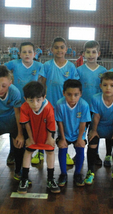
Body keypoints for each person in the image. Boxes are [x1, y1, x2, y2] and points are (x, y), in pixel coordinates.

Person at [39, 37, 80, 167]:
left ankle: (66, 151)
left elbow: (75, 85)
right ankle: (40, 150)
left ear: (66, 49)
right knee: (46, 128)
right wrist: (41, 99)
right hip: (50, 104)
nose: (59, 50)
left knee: (65, 129)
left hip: (65, 105)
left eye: (62, 47)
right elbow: (42, 83)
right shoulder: (47, 65)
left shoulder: (71, 66)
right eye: (56, 47)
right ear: (52, 50)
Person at [17, 81, 60, 194]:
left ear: (44, 97)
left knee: (50, 152)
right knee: (28, 151)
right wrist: (30, 138)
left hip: (46, 133)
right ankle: (24, 178)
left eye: (38, 100)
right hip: (33, 131)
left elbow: (51, 124)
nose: (35, 104)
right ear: (25, 98)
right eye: (31, 100)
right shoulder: (25, 107)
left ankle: (50, 179)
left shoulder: (48, 107)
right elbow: (26, 123)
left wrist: (50, 138)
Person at [5, 42, 44, 165]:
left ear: (34, 54)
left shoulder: (39, 65)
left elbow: (43, 80)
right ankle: (12, 152)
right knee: (15, 128)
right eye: (24, 52)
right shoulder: (14, 64)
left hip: (32, 104)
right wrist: (8, 85)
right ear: (19, 53)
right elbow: (0, 70)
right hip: (17, 103)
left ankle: (38, 151)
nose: (27, 54)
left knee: (34, 127)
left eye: (30, 52)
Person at [85, 72, 113, 185]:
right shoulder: (96, 98)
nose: (108, 88)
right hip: (99, 127)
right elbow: (96, 116)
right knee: (92, 143)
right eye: (105, 85)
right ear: (100, 86)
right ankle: (90, 172)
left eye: (112, 85)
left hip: (112, 127)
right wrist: (94, 130)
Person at [55, 79, 91, 187]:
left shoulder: (84, 105)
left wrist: (80, 138)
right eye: (69, 95)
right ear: (63, 93)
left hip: (78, 133)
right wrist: (62, 138)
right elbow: (60, 123)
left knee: (80, 147)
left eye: (76, 95)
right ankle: (63, 174)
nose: (72, 98)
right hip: (64, 133)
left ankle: (77, 174)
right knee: (62, 147)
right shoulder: (60, 104)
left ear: (80, 94)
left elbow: (83, 123)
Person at [77, 41, 107, 165]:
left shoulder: (103, 70)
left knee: (95, 132)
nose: (91, 55)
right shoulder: (79, 70)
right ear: (84, 54)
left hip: (96, 108)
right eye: (88, 52)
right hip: (83, 108)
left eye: (94, 52)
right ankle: (79, 154)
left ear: (98, 53)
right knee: (81, 132)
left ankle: (95, 155)